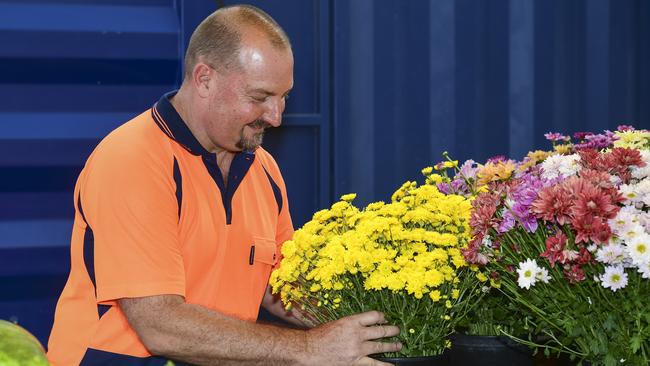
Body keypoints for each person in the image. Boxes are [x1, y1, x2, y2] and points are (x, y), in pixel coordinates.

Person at [47, 4, 401, 366]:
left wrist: (387, 327)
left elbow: (282, 289)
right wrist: (311, 349)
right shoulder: (133, 160)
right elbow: (159, 324)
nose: (276, 117)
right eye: (259, 98)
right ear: (204, 79)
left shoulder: (263, 169)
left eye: (284, 97)